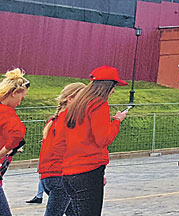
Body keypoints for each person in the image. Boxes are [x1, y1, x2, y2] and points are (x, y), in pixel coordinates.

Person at [60, 66, 130, 216]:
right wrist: (117, 121)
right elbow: (103, 139)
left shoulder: (76, 106)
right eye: (114, 86)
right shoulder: (99, 104)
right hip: (88, 169)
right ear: (108, 86)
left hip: (69, 171)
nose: (114, 91)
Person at [36, 82, 85, 216]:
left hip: (47, 176)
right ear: (70, 99)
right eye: (82, 98)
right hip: (60, 176)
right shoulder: (69, 119)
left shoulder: (53, 120)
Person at [0, 69, 30, 216]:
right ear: (14, 93)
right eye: (21, 97)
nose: (20, 102)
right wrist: (4, 151)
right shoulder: (6, 112)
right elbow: (18, 133)